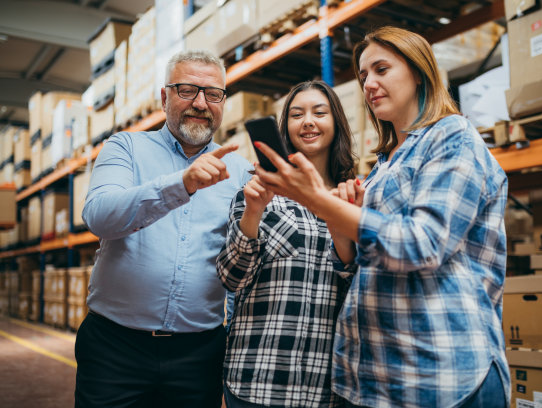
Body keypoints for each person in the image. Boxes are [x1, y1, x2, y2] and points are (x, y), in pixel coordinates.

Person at [253, 27, 510, 408]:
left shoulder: (453, 138)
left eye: (381, 69)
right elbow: (357, 263)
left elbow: (421, 245)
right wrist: (342, 223)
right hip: (372, 380)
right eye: (363, 76)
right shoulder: (384, 164)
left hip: (438, 375)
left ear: (419, 71)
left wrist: (319, 200)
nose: (369, 83)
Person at [75, 49, 252, 407]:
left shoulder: (240, 169)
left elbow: (240, 259)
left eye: (213, 94)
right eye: (187, 90)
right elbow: (99, 215)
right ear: (164, 96)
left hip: (199, 353)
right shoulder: (126, 147)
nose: (201, 103)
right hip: (115, 347)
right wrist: (180, 184)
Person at [216, 80, 356, 408]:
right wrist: (253, 211)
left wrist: (342, 231)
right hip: (257, 382)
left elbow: (361, 292)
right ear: (285, 128)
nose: (308, 121)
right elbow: (230, 278)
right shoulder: (256, 194)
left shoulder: (352, 199)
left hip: (326, 388)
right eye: (297, 114)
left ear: (336, 123)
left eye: (319, 112)